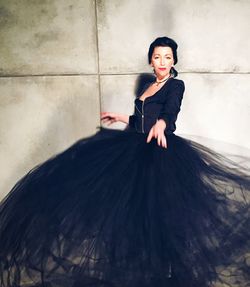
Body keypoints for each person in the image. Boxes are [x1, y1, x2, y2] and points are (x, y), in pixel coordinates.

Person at [0, 36, 249, 287]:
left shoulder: (176, 85)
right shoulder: (148, 86)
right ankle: (149, 266)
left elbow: (170, 112)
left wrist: (162, 125)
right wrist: (120, 118)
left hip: (161, 153)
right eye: (157, 57)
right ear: (151, 60)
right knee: (136, 212)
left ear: (174, 60)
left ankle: (170, 271)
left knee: (163, 213)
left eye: (168, 57)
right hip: (138, 148)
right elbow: (141, 118)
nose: (162, 61)